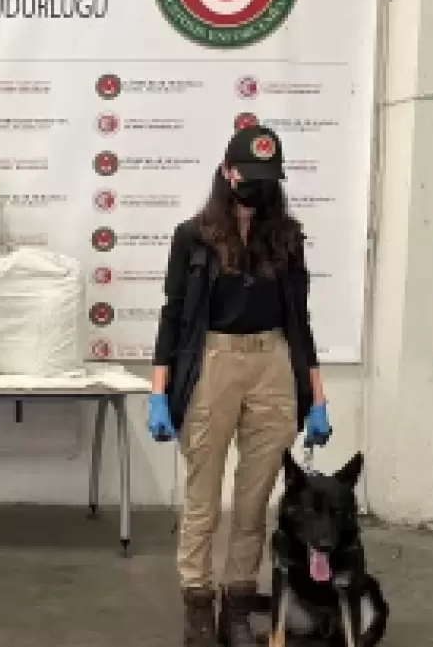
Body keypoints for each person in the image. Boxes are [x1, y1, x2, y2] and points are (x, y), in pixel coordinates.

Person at [147, 126, 332, 646]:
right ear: (227, 172)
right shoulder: (193, 237)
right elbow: (172, 315)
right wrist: (158, 391)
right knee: (203, 496)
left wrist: (317, 398)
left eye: (266, 178)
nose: (256, 186)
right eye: (247, 175)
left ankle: (237, 604)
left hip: (273, 363)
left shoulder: (286, 238)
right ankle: (197, 605)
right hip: (214, 362)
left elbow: (300, 321)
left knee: (255, 501)